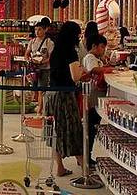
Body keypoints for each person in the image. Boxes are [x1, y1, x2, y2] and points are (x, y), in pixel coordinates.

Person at [43, 21, 85, 177]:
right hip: (65, 96)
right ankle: (85, 168)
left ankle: (60, 167)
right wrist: (82, 70)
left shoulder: (56, 51)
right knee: (72, 130)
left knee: (55, 131)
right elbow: (75, 76)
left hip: (51, 95)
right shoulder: (70, 52)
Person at [83, 34, 110, 164]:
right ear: (94, 46)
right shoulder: (90, 57)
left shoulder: (96, 58)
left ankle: (88, 155)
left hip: (96, 97)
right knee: (91, 127)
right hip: (93, 97)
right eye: (102, 47)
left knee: (93, 126)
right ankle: (86, 156)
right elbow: (93, 69)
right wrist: (108, 69)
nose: (103, 50)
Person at [25, 17, 54, 113]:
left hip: (44, 69)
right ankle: (38, 106)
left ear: (45, 30)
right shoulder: (32, 42)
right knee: (35, 88)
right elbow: (27, 54)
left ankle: (40, 110)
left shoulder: (49, 42)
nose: (37, 32)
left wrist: (42, 62)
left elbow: (51, 57)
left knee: (42, 89)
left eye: (39, 29)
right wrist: (29, 60)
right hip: (34, 69)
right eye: (36, 29)